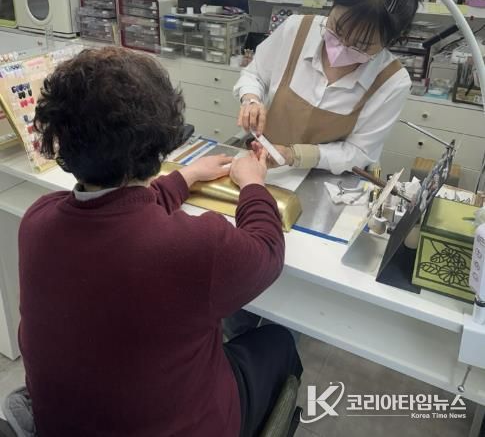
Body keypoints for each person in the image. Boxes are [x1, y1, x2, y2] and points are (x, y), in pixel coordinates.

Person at [18, 47, 302, 437]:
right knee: (279, 341)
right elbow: (267, 251)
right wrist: (253, 184)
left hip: (60, 424)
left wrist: (184, 178)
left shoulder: (37, 222)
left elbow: (119, 210)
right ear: (159, 147)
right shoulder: (195, 248)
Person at [234, 0, 423, 174]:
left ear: (390, 41)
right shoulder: (296, 30)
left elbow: (359, 151)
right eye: (337, 29)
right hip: (263, 164)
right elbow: (255, 74)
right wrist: (251, 99)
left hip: (328, 181)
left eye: (361, 45)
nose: (342, 46)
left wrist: (292, 155)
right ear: (332, 7)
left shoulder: (392, 81)